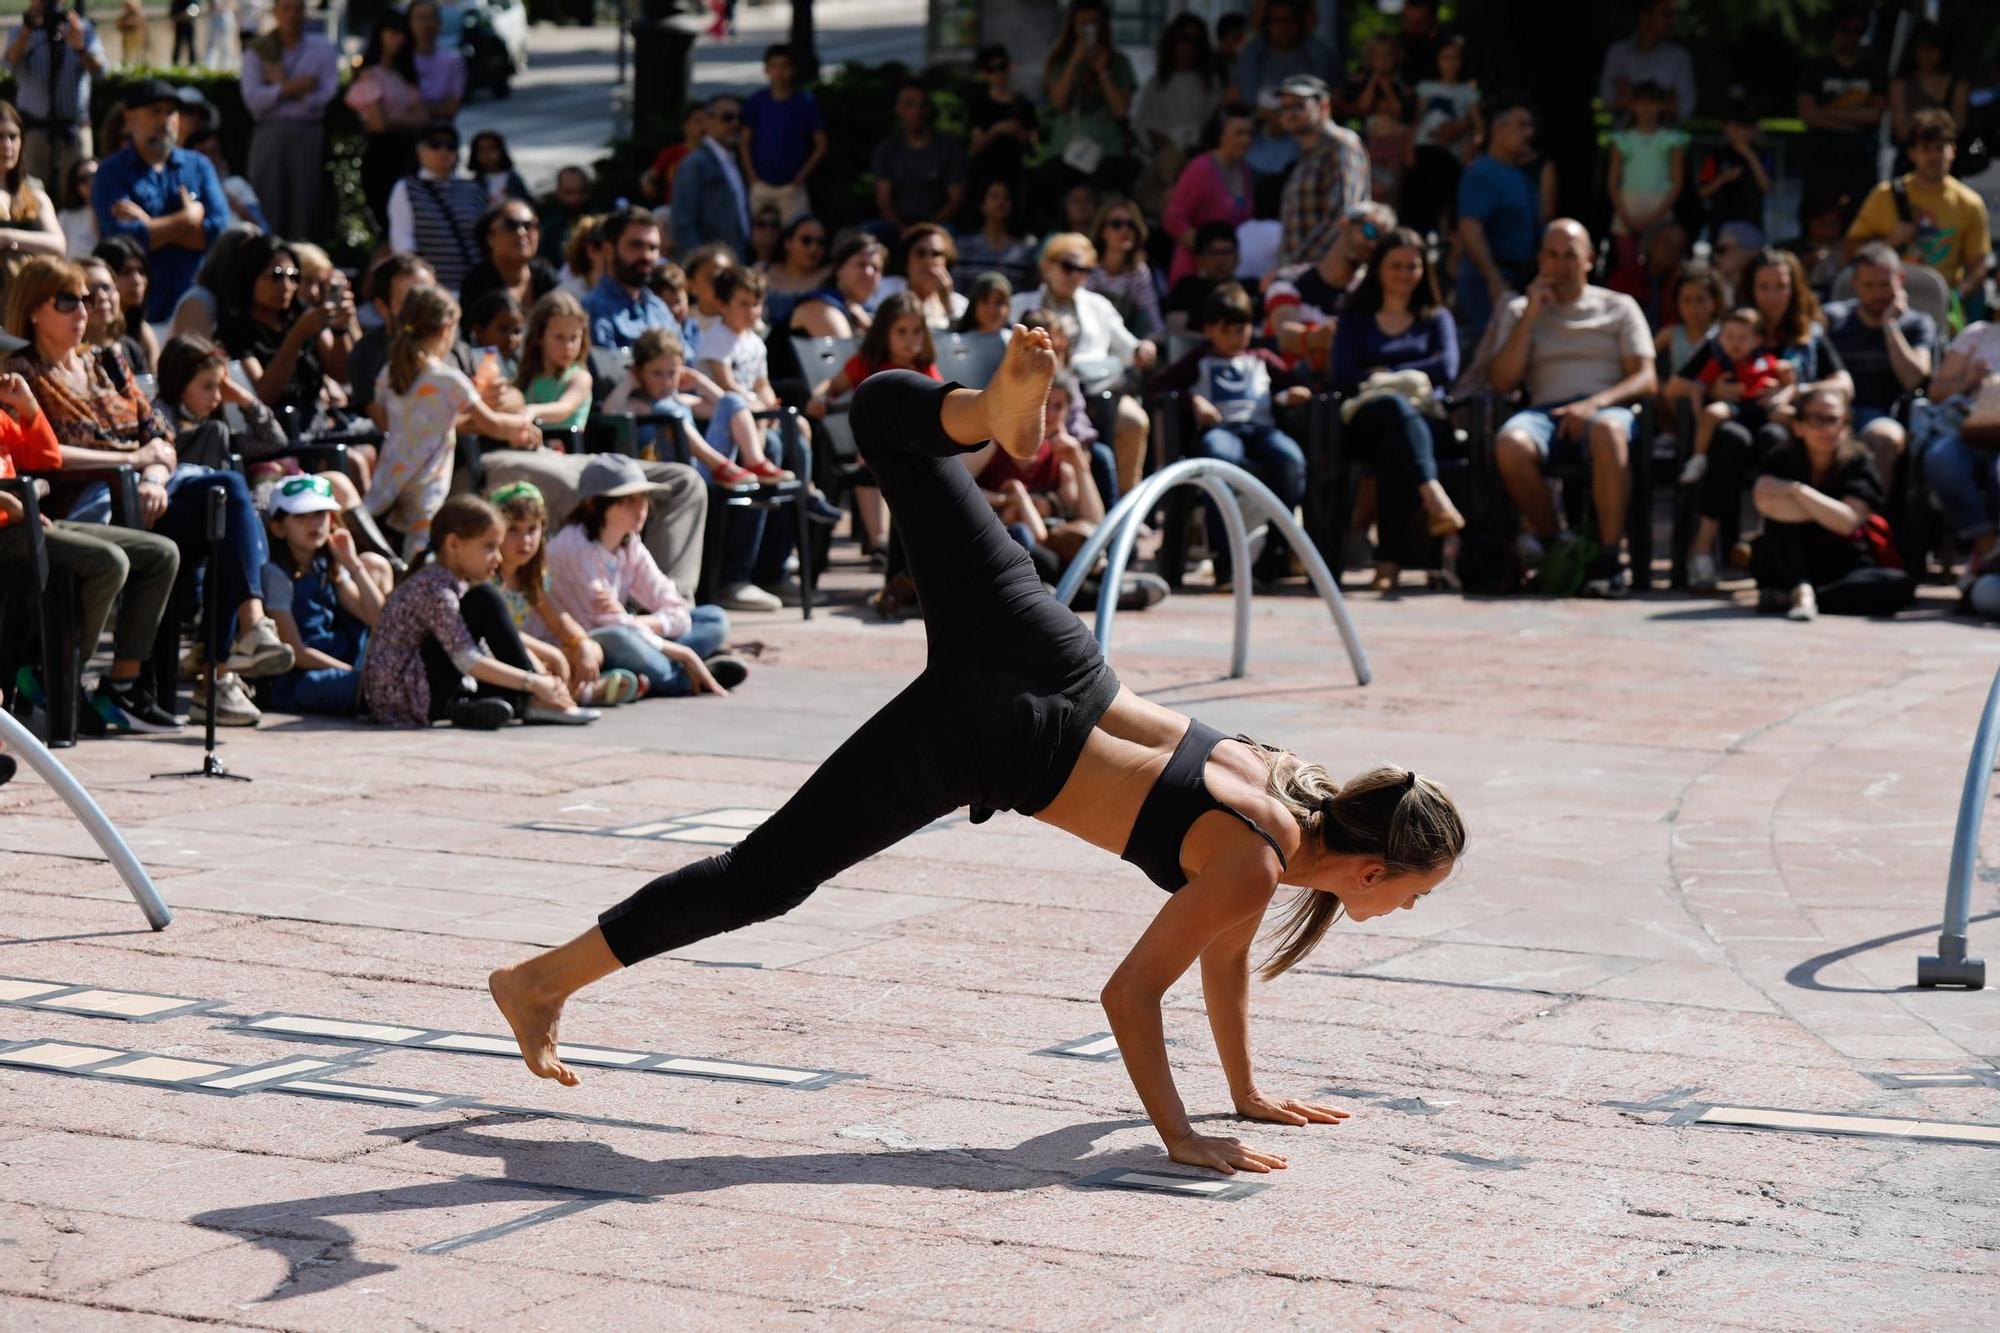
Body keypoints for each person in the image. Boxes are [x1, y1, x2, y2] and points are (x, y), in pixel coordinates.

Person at [484, 330, 1467, 1188]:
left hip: (1046, 644)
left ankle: (981, 413)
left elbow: (1223, 961)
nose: (1406, 910)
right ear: (1373, 868)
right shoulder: (1256, 862)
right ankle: (538, 983)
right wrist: (1179, 1133)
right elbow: (1130, 996)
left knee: (879, 417)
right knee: (764, 877)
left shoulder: (1292, 784)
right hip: (995, 732)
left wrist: (1244, 1092)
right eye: (1414, 895)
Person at [9, 256, 294, 725]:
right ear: (35, 309)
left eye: (86, 299)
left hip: (147, 489)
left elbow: (158, 429)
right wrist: (131, 463)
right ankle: (218, 665)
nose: (84, 310)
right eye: (68, 301)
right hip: (84, 502)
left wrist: (154, 475)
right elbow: (47, 454)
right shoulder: (23, 373)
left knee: (224, 501)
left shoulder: (108, 360)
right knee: (209, 512)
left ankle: (238, 647)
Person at [0, 360, 181, 735]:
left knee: (160, 554)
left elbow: (45, 459)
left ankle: (121, 688)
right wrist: (8, 503)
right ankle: (58, 675)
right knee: (109, 562)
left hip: (31, 521)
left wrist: (29, 407)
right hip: (10, 531)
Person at [1489, 220, 1658, 597]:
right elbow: (1501, 381)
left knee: (1608, 431)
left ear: (1589, 260)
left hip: (1605, 408)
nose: (1561, 264)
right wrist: (1531, 314)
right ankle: (1557, 544)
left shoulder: (1619, 307)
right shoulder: (1520, 310)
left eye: (1571, 255)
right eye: (1553, 255)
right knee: (1510, 443)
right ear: (1540, 259)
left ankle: (1610, 560)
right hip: (1544, 414)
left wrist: (1592, 405)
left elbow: (1646, 379)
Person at [1677, 247, 1853, 590]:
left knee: (1776, 440)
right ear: (1750, 290)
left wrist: (1799, 391)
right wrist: (1714, 389)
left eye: (1780, 286)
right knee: (1731, 439)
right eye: (1763, 287)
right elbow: (1675, 385)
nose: (1772, 296)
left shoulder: (1808, 334)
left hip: (1784, 423)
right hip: (1738, 421)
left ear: (1795, 288)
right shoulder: (1730, 334)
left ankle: (1771, 549)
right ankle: (1702, 549)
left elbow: (1844, 384)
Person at [361, 493, 588, 729]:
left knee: (487, 609)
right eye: (489, 547)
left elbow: (500, 638)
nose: (498, 558)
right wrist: (533, 682)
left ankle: (486, 705)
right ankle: (529, 701)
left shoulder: (452, 581)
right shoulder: (435, 589)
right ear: (453, 544)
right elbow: (467, 659)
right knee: (485, 598)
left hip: (422, 689)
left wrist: (545, 668)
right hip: (406, 700)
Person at [542, 455, 748, 700]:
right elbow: (607, 625)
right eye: (627, 501)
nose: (640, 507)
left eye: (643, 498)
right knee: (620, 639)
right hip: (586, 643)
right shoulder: (572, 547)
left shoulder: (630, 544)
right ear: (594, 504)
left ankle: (663, 670)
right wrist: (682, 651)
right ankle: (679, 678)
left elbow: (673, 606)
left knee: (713, 618)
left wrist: (637, 623)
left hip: (629, 631)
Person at [1328, 226, 1465, 592]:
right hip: (1363, 422)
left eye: (1413, 266)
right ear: (1378, 269)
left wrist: (1384, 374)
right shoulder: (1355, 319)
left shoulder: (1436, 318)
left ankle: (1389, 559)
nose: (1405, 274)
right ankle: (1432, 496)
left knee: (1399, 439)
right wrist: (1412, 371)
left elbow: (1448, 369)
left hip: (1424, 419)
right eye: (1396, 265)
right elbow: (1343, 375)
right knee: (1391, 409)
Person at [363, 284, 537, 560]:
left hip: (393, 471)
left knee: (398, 544)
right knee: (420, 551)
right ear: (446, 328)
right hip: (428, 475)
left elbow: (391, 419)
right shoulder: (448, 380)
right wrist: (523, 423)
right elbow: (491, 424)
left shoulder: (391, 370)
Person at [1156, 286, 1311, 584]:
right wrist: (1193, 401)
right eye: (1230, 331)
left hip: (1262, 430)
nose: (1239, 337)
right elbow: (1158, 387)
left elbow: (1295, 383)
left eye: (1244, 329)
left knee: (1290, 459)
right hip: (1222, 430)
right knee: (1220, 459)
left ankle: (1275, 552)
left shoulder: (1261, 358)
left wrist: (1292, 393)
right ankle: (1224, 557)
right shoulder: (1198, 360)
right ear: (1211, 329)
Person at [1011, 232, 1156, 495]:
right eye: (1068, 267)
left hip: (1096, 391)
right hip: (1039, 395)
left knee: (1134, 421)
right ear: (1047, 266)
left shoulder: (1098, 305)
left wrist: (1141, 349)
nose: (1075, 275)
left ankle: (1125, 502)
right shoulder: (1021, 304)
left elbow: (1127, 345)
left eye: (1084, 270)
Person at [1752, 385, 1914, 620]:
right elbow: (1767, 504)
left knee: (1899, 585)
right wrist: (1828, 512)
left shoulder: (1858, 462)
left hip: (1842, 567)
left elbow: (1848, 523)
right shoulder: (1781, 458)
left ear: (1846, 424)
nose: (1826, 428)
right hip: (1789, 562)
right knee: (1780, 527)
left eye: (1834, 419)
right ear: (1797, 426)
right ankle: (1799, 588)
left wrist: (1798, 492)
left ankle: (1802, 597)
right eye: (1816, 419)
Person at [490, 480, 641, 709]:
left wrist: (582, 645)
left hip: (539, 654)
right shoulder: (487, 579)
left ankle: (570, 691)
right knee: (537, 662)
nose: (525, 540)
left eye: (532, 529)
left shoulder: (531, 580)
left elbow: (561, 622)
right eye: (513, 530)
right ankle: (577, 694)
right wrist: (552, 655)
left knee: (591, 649)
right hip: (503, 654)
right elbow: (502, 635)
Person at [91, 79, 231, 322]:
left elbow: (218, 231)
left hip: (192, 306)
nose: (166, 120)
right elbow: (124, 242)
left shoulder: (198, 166)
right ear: (130, 118)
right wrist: (188, 218)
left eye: (171, 112)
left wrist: (149, 224)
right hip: (135, 314)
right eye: (156, 111)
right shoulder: (111, 172)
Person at [260, 473, 391, 718]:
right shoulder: (276, 574)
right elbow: (296, 652)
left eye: (320, 514)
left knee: (388, 681)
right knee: (380, 687)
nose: (314, 523)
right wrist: (355, 674)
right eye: (301, 516)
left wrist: (352, 564)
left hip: (340, 662)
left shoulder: (327, 564)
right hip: (301, 677)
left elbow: (378, 619)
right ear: (278, 527)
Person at [1845, 109, 1993, 299]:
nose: (1933, 156)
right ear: (1912, 154)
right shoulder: (1884, 195)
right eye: (1926, 149)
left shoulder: (1970, 203)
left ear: (1953, 151)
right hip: (1885, 299)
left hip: (1940, 304)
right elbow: (1849, 253)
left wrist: (1955, 297)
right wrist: (1889, 241)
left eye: (1940, 148)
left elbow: (1978, 264)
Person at [1821, 243, 1936, 477]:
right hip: (1830, 413)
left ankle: (1873, 512)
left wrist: (1890, 326)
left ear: (1900, 279)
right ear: (1855, 283)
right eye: (1868, 286)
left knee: (1885, 438)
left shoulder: (1917, 324)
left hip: (1882, 415)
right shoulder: (1832, 319)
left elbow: (1915, 380)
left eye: (1884, 285)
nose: (1877, 295)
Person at [216, 232, 350, 420]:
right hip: (278, 432)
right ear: (250, 278)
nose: (286, 286)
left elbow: (341, 374)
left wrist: (340, 329)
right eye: (276, 276)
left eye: (293, 277)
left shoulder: (301, 314)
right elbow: (265, 395)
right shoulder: (236, 329)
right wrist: (296, 337)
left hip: (319, 422)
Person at [239, 0, 336, 241]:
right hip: (269, 134)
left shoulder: (322, 47)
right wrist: (294, 87)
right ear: (275, 12)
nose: (293, 15)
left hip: (307, 132)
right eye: (286, 8)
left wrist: (279, 87)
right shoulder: (259, 50)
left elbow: (324, 95)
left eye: (298, 8)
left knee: (304, 205)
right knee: (267, 201)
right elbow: (254, 100)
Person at [1453, 95, 1543, 351]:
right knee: (1484, 349)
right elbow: (1470, 227)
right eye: (1521, 125)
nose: (1529, 133)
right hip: (1487, 283)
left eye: (1531, 126)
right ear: (1499, 129)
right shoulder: (1481, 172)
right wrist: (1492, 277)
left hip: (1517, 279)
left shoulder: (1521, 176)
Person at [1263, 202, 1393, 376]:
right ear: (1344, 224)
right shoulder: (1291, 280)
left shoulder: (1367, 294)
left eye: (1382, 241)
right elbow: (1285, 335)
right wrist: (1319, 337)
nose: (1373, 244)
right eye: (1370, 231)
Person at [1679, 306, 1793, 491]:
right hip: (1736, 407)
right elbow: (1697, 386)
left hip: (1764, 407)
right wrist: (1699, 412)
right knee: (1712, 412)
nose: (1735, 343)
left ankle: (1801, 459)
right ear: (1720, 338)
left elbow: (1788, 384)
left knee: (1791, 415)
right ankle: (1698, 457)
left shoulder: (1768, 361)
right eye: (1729, 337)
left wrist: (1783, 388)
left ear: (1757, 340)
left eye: (1742, 338)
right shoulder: (1719, 363)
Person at [6, 0, 108, 192]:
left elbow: (101, 72)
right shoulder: (20, 31)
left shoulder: (82, 29)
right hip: (34, 132)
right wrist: (27, 32)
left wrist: (80, 47)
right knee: (31, 194)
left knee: (77, 194)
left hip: (74, 130)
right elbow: (9, 65)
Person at [1796, 6, 1887, 218]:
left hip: (1860, 162)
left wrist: (1825, 112)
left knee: (1859, 221)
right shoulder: (1815, 68)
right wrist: (1855, 120)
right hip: (1821, 160)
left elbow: (1875, 115)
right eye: (1844, 30)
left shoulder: (1873, 70)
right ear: (1835, 32)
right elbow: (1808, 115)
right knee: (1817, 218)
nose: (1850, 36)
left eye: (1857, 31)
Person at [1230, 0, 1337, 179]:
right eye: (1276, 21)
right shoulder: (1253, 54)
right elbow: (1245, 102)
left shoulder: (1317, 54)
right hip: (1256, 150)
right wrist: (1269, 118)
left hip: (1303, 149)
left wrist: (1289, 122)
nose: (1283, 28)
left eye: (1289, 21)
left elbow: (1324, 100)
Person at [1040, 0, 1137, 193]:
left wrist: (1102, 72)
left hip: (1107, 151)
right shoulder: (1059, 62)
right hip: (1065, 151)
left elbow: (1121, 111)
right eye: (1083, 24)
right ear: (1072, 26)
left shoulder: (1119, 63)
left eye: (1094, 23)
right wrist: (1074, 62)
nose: (1089, 29)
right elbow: (1057, 103)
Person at [345, 8, 427, 234]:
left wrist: (393, 118)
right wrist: (403, 118)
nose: (397, 39)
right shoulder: (370, 75)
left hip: (407, 155)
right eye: (392, 33)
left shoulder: (403, 74)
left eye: (402, 34)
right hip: (381, 156)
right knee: (386, 221)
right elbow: (378, 123)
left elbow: (421, 116)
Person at [1274, 75, 1369, 270]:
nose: (1289, 113)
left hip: (1327, 276)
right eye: (1284, 107)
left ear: (1324, 106)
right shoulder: (1306, 155)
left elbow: (1342, 214)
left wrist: (1298, 265)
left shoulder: (1341, 145)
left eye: (1299, 106)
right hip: (1302, 276)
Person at [1132, 15, 1222, 216]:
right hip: (1166, 157)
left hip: (1201, 155)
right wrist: (1172, 149)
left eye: (1196, 41)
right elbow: (1148, 127)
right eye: (1184, 39)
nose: (1189, 47)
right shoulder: (1157, 83)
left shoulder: (1211, 83)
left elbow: (1214, 124)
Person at [387, 122, 490, 295]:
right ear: (420, 150)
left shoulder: (474, 189)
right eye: (435, 145)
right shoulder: (406, 188)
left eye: (450, 146)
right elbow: (402, 242)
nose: (443, 151)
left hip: (475, 288)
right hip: (432, 291)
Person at [1162, 104, 1255, 287]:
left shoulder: (1245, 171)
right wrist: (1209, 254)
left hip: (1229, 275)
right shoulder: (1201, 168)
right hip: (1195, 275)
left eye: (1250, 133)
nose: (1246, 139)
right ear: (1221, 135)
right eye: (1239, 133)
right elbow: (1173, 219)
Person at [1403, 33, 1481, 240]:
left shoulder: (1468, 91)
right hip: (1424, 151)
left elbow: (1478, 126)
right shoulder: (1426, 88)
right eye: (1446, 58)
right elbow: (1417, 120)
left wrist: (1469, 144)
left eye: (1456, 58)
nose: (1451, 64)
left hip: (1451, 156)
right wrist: (1408, 148)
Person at [737, 44, 825, 225]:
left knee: (795, 231)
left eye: (785, 66)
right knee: (758, 233)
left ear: (793, 70)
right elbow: (745, 141)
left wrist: (801, 176)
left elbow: (821, 143)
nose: (779, 72)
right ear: (766, 70)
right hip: (762, 183)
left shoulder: (804, 102)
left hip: (792, 186)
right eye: (774, 66)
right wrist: (752, 176)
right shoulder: (757, 102)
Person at [870, 81, 968, 240]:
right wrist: (903, 229)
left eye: (922, 105)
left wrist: (926, 228)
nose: (917, 111)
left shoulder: (949, 148)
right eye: (910, 104)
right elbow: (884, 201)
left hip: (938, 223)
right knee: (861, 235)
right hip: (898, 224)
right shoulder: (887, 150)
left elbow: (955, 200)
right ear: (898, 109)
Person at [1606, 82, 1687, 270]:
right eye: (1641, 103)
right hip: (1627, 209)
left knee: (1660, 268)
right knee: (1628, 269)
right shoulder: (1623, 140)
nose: (1646, 109)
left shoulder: (1671, 140)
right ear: (1633, 105)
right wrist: (1626, 216)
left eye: (1652, 103)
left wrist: (1656, 216)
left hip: (1660, 209)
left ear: (1662, 106)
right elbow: (1612, 182)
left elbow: (1677, 182)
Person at [0, 102, 67, 310]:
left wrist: (7, 238)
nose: (7, 146)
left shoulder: (34, 193)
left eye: (13, 136)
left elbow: (58, 245)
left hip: (33, 304)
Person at [669, 95, 751, 262]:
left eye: (739, 118)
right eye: (727, 118)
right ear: (708, 120)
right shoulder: (695, 163)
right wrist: (701, 267)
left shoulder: (738, 161)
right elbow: (683, 223)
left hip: (738, 260)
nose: (735, 124)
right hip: (711, 268)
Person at [582, 205, 673, 352]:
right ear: (608, 250)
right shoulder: (593, 310)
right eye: (636, 245)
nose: (647, 256)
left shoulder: (659, 309)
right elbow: (607, 373)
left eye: (653, 248)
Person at [1338, 32, 1414, 205]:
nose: (1382, 61)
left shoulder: (1401, 82)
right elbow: (1362, 108)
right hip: (1371, 145)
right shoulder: (1361, 81)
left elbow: (1399, 111)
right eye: (1377, 56)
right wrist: (1374, 81)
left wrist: (1386, 87)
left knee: (1392, 188)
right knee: (1370, 187)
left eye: (1387, 55)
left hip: (1396, 146)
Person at [459, 198, 557, 321]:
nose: (522, 232)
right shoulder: (476, 286)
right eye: (511, 225)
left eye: (529, 225)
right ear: (490, 237)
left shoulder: (546, 276)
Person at [1888, 21, 1967, 176]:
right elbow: (1902, 130)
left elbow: (1958, 127)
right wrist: (1938, 127)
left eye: (1933, 49)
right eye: (1922, 49)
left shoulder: (1957, 84)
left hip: (1945, 167)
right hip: (1909, 166)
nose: (1927, 55)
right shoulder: (1901, 83)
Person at [1598, 0, 1695, 124]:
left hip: (1665, 138)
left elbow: (1685, 108)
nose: (1671, 21)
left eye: (1673, 15)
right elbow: (1608, 101)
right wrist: (1666, 98)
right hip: (1624, 137)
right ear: (1645, 17)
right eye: (1665, 14)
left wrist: (1629, 97)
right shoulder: (1618, 53)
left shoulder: (1680, 57)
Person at [965, 45, 1039, 200]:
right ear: (984, 73)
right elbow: (976, 147)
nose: (999, 74)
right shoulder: (979, 104)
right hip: (986, 175)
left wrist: (1021, 135)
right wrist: (996, 130)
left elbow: (1033, 145)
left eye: (1002, 67)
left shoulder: (1023, 104)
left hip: (1015, 173)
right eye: (992, 69)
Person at [515, 289, 592, 434]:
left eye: (574, 337)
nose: (568, 346)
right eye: (559, 337)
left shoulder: (580, 377)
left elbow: (564, 408)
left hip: (568, 451)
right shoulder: (528, 377)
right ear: (539, 337)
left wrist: (531, 411)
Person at [1086, 197, 1161, 342]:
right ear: (1102, 231)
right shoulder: (1087, 267)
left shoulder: (1138, 272)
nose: (1125, 230)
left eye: (1130, 224)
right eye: (1116, 224)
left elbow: (1153, 321)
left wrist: (1147, 345)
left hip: (1127, 347)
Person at [1696, 97, 1772, 237]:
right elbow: (1702, 191)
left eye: (1743, 127)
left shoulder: (1762, 155)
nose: (1739, 132)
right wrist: (1723, 178)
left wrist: (1750, 156)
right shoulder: (1715, 155)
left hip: (1751, 224)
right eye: (1734, 126)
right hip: (1721, 225)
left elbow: (1767, 187)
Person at [787, 232, 882, 341]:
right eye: (861, 264)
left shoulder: (869, 312)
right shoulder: (819, 305)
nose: (869, 272)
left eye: (876, 267)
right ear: (838, 269)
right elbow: (845, 355)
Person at [1163, 221, 1252, 335]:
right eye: (1213, 252)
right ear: (1198, 258)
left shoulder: (1251, 289)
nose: (1220, 260)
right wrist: (1218, 343)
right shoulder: (1187, 288)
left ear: (1237, 257)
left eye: (1226, 252)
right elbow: (1175, 332)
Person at [953, 179, 1038, 294]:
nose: (1000, 202)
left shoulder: (1026, 248)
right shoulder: (964, 245)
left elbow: (1030, 289)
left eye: (1006, 198)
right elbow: (958, 288)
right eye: (994, 197)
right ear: (982, 204)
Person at [1606, 216, 1689, 333]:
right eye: (1667, 243)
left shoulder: (1682, 284)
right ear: (1651, 243)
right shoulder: (1625, 278)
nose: (1672, 250)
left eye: (1678, 247)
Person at [877, 223, 966, 331]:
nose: (928, 261)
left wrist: (948, 305)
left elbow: (963, 341)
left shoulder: (960, 304)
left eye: (936, 254)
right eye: (920, 253)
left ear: (946, 261)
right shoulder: (881, 290)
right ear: (906, 259)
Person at [757, 214, 828, 327]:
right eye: (806, 240)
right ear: (788, 243)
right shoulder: (761, 271)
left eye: (820, 242)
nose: (814, 248)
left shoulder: (830, 277)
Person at [1655, 261, 1724, 376]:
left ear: (1715, 301)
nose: (1693, 307)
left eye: (1700, 299)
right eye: (1686, 300)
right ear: (1677, 302)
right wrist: (1662, 387)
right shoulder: (1670, 334)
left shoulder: (1723, 335)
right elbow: (1644, 361)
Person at [407, 0, 466, 125]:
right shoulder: (402, 61)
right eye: (420, 18)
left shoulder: (453, 59)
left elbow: (452, 107)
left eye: (430, 18)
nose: (426, 24)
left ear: (439, 23)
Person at [538, 166, 591, 267]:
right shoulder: (549, 231)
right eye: (569, 192)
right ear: (558, 192)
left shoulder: (601, 226)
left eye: (581, 191)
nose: (576, 198)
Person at [468, 131, 530, 206]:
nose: (488, 155)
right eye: (482, 151)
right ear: (475, 156)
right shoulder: (475, 183)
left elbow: (526, 202)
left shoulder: (513, 179)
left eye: (492, 149)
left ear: (501, 151)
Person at [57, 156, 96, 258]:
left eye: (95, 176)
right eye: (83, 179)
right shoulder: (66, 217)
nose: (90, 182)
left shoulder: (116, 210)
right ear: (76, 186)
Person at [957, 272, 1014, 337]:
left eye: (998, 302)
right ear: (974, 305)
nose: (992, 309)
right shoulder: (956, 342)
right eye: (985, 301)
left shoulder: (1015, 341)